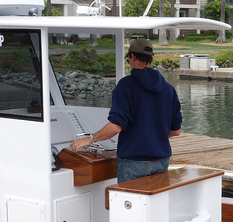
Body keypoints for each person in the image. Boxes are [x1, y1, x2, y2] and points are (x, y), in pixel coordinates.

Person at [68, 37, 182, 183]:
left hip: (134, 162)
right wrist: (154, 138)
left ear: (132, 57)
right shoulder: (169, 89)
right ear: (151, 59)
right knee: (154, 198)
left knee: (129, 198)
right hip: (161, 161)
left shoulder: (126, 85)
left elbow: (116, 126)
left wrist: (90, 139)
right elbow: (176, 131)